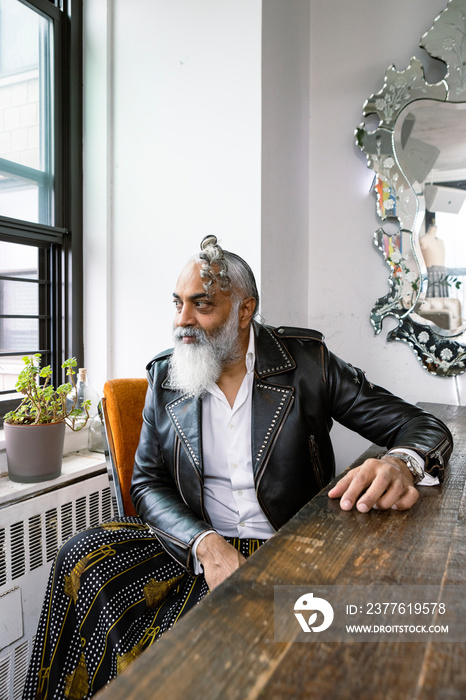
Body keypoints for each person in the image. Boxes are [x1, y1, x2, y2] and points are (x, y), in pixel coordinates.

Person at [23, 236, 453, 699]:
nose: (182, 321)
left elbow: (421, 425)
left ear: (244, 310)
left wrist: (400, 462)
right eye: (179, 303)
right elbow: (147, 482)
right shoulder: (166, 378)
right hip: (199, 543)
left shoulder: (307, 363)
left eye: (202, 305)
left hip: (290, 546)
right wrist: (204, 544)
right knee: (80, 557)